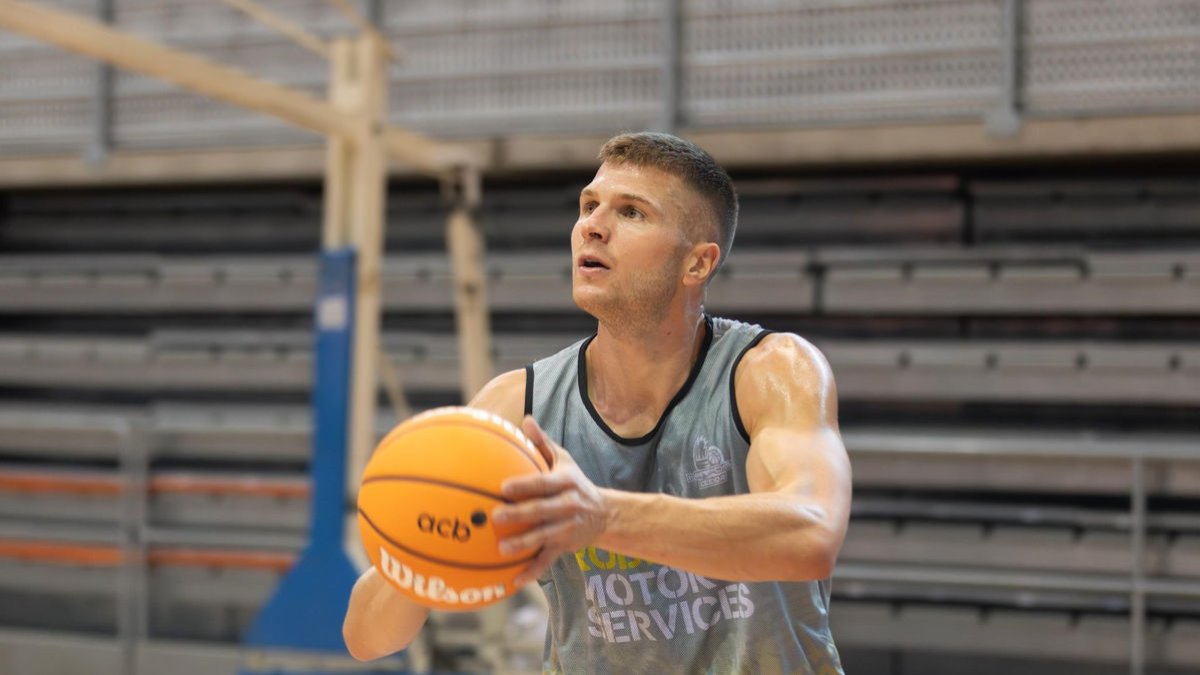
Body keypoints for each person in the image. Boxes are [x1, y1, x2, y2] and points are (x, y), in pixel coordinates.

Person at [344, 132, 852, 674]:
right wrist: (420, 550)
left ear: (697, 265)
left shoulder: (771, 370)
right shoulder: (519, 407)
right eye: (589, 206)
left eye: (631, 212)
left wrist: (601, 516)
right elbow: (366, 638)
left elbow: (811, 533)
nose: (593, 225)